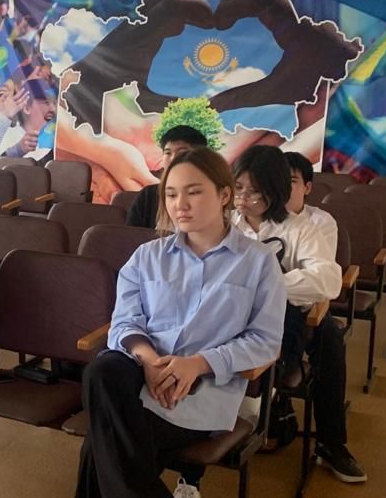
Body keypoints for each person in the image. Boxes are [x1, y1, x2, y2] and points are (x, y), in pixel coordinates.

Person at [76, 147, 286, 498]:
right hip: (140, 378)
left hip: (201, 391)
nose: (180, 205)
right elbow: (125, 321)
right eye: (171, 194)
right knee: (102, 370)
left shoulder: (258, 262)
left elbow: (265, 341)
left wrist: (198, 364)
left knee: (102, 447)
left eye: (194, 192)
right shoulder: (148, 256)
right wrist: (149, 361)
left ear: (224, 195)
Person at [232, 145, 364, 483]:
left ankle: (331, 442)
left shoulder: (305, 227)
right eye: (238, 188)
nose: (243, 198)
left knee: (329, 339)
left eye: (254, 190)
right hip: (233, 314)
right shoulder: (225, 223)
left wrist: (263, 285)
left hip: (294, 313)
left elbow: (327, 280)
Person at [127, 125, 209, 229]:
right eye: (168, 153)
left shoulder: (210, 193)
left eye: (182, 152)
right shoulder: (148, 195)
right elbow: (130, 235)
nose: (173, 158)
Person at [0, 78, 57, 159]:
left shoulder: (54, 143)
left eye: (54, 103)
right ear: (27, 108)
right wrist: (19, 149)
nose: (53, 109)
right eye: (46, 103)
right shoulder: (6, 136)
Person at [284, 152, 337, 249]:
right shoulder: (258, 218)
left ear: (307, 188)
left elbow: (320, 258)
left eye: (292, 181)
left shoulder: (320, 221)